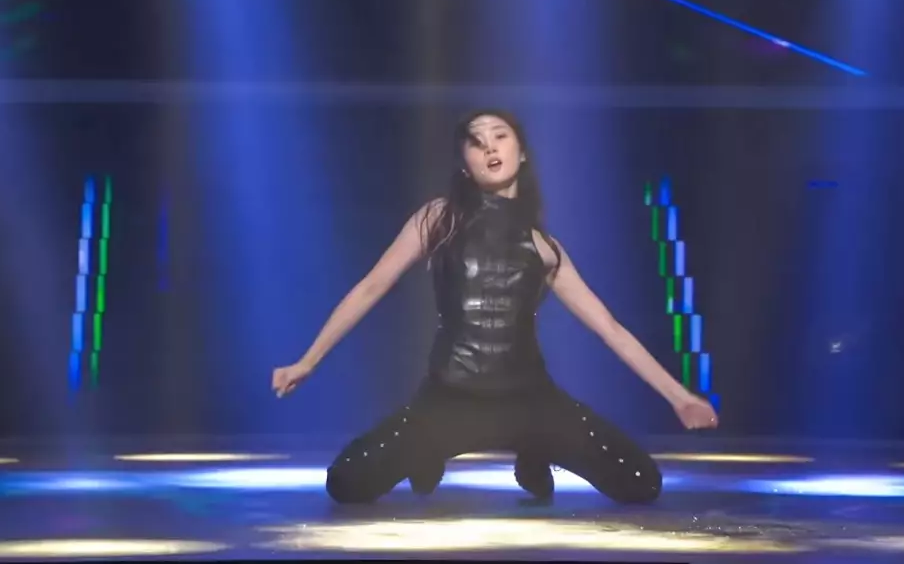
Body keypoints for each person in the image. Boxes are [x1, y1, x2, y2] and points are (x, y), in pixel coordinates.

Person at [271, 110, 718, 505]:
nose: (489, 146)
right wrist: (308, 360)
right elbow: (372, 287)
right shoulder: (438, 219)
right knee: (346, 483)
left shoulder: (544, 247)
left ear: (521, 154)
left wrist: (679, 397)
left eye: (499, 136)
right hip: (449, 399)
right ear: (464, 165)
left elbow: (609, 328)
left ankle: (536, 451)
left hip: (531, 400)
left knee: (641, 483)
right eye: (476, 140)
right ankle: (427, 453)